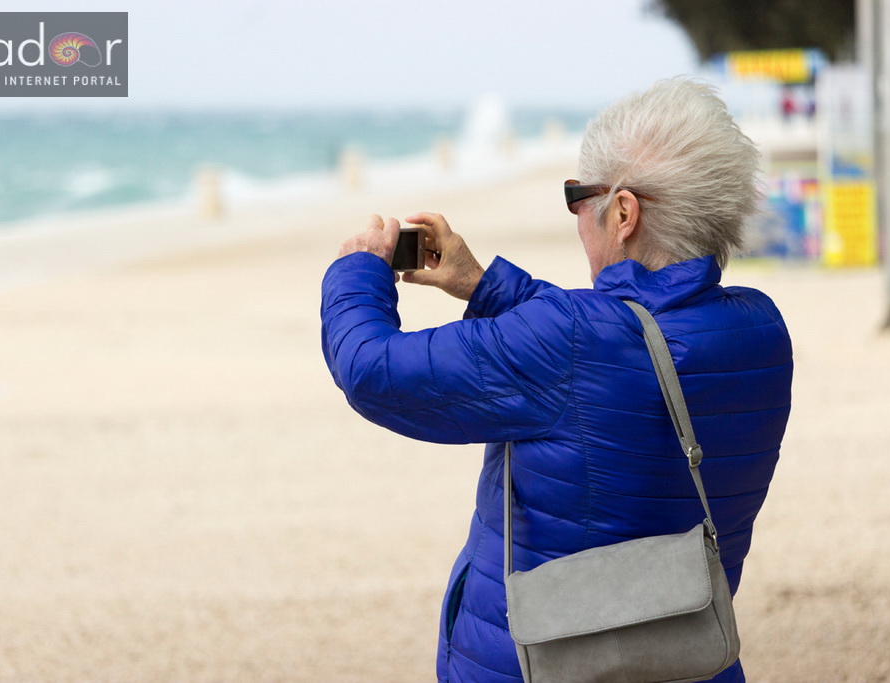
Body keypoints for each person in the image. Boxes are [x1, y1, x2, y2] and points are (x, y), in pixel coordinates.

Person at [321, 78, 792, 682]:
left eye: (577, 197)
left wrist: (357, 271)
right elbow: (626, 342)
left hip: (544, 665)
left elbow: (371, 369)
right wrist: (485, 286)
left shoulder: (571, 340)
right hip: (691, 660)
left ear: (624, 213)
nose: (577, 217)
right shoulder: (758, 330)